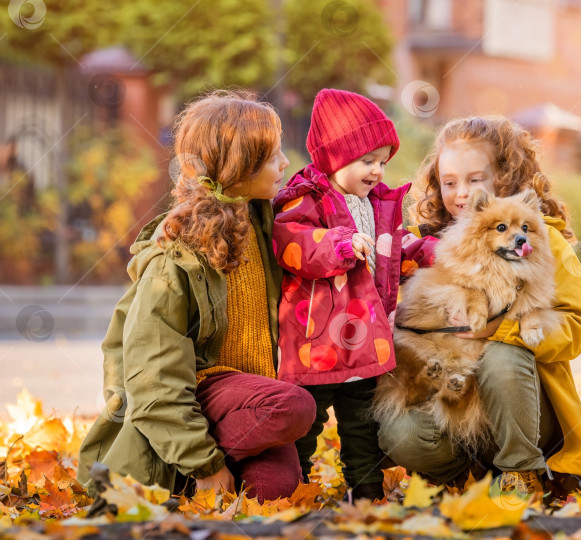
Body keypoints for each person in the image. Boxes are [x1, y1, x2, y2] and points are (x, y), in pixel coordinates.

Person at [78, 90, 317, 503]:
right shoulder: (175, 259)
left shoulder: (265, 223)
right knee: (295, 408)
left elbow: (328, 199)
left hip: (250, 398)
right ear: (237, 166)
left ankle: (192, 476)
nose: (285, 164)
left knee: (273, 493)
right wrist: (205, 464)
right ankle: (186, 465)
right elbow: (154, 377)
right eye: (272, 156)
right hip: (202, 391)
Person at [378, 115, 581, 497]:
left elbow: (576, 328)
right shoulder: (421, 245)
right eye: (450, 183)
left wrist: (506, 329)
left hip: (524, 413)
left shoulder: (543, 240)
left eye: (474, 179)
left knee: (501, 357)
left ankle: (520, 472)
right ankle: (466, 476)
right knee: (401, 432)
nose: (461, 193)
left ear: (504, 177)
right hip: (451, 401)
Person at [272, 89, 436, 501]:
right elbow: (293, 243)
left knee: (363, 425)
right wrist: (338, 245)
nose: (377, 171)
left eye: (382, 161)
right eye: (367, 161)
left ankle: (366, 493)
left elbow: (394, 254)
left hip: (366, 343)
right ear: (334, 157)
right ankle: (296, 490)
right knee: (305, 424)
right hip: (317, 343)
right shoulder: (307, 199)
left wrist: (430, 252)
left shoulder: (379, 205)